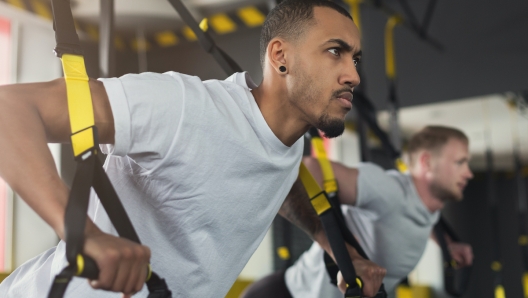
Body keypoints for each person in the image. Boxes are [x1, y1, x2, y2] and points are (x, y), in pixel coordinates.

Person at [0, 0, 387, 297]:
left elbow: (279, 181)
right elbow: (10, 110)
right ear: (280, 56)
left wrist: (333, 243)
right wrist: (82, 233)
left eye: (355, 58)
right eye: (335, 51)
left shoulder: (286, 145)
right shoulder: (184, 107)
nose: (353, 74)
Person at [241, 125, 474, 298]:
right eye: (460, 163)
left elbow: (421, 218)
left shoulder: (427, 208)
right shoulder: (389, 190)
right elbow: (298, 177)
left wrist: (446, 243)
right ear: (427, 162)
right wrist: (348, 257)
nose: (468, 173)